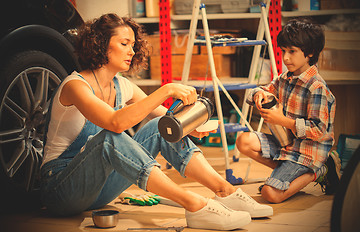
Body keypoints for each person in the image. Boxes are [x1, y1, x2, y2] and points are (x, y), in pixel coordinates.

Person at [39, 13, 273, 230]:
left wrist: (190, 127)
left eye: (133, 44)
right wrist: (167, 89)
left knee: (160, 128)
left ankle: (226, 191)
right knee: (110, 138)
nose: (131, 51)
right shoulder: (75, 86)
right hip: (61, 189)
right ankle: (194, 204)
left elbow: (166, 120)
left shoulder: (122, 86)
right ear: (100, 43)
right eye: (124, 44)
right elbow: (115, 123)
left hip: (98, 191)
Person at [236, 18, 340, 204]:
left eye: (292, 52)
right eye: (284, 51)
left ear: (310, 53)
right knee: (243, 141)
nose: (285, 58)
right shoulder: (285, 78)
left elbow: (317, 131)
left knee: (270, 195)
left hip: (308, 151)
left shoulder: (316, 88)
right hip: (286, 145)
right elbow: (262, 91)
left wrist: (282, 120)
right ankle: (285, 176)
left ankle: (320, 171)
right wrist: (258, 94)